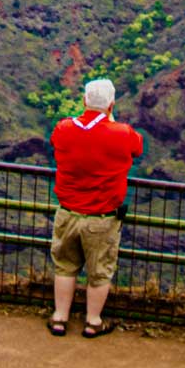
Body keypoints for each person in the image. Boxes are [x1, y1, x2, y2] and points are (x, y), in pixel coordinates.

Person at [48, 77, 143, 338]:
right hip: (102, 217)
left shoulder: (64, 128)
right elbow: (138, 146)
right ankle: (92, 321)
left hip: (67, 212)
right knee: (100, 271)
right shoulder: (121, 133)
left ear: (84, 101)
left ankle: (60, 318)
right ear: (111, 105)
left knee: (65, 266)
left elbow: (57, 143)